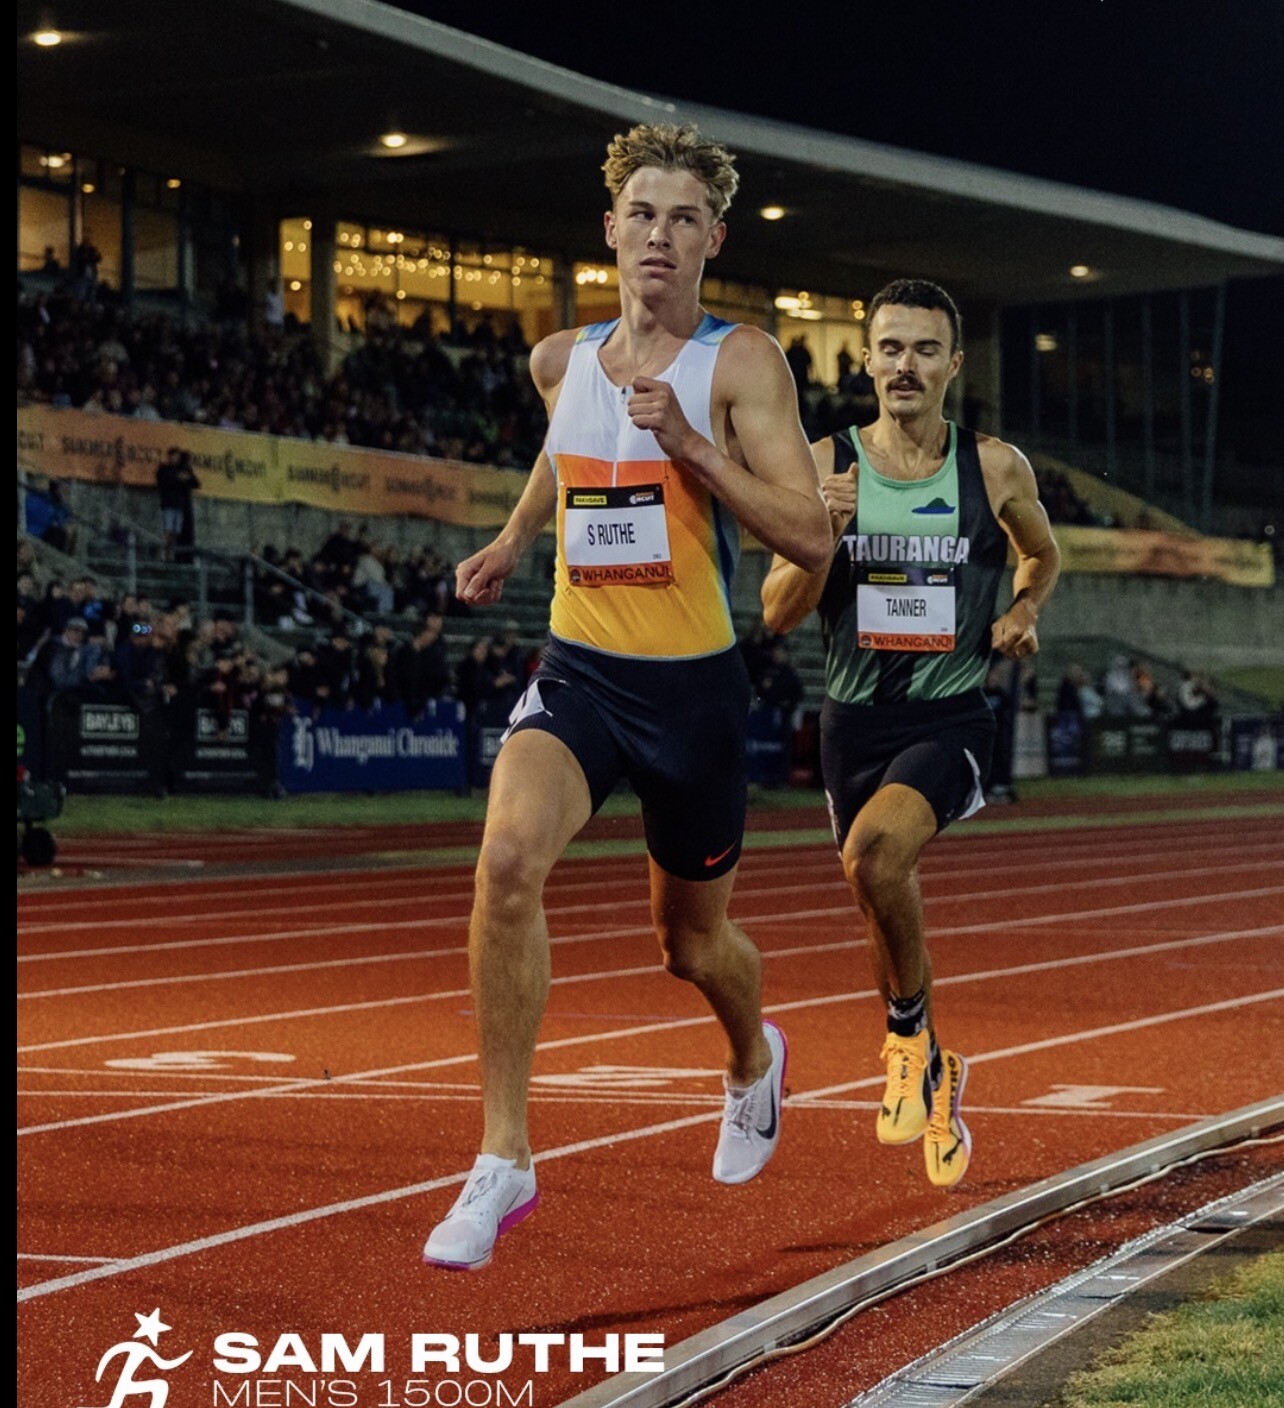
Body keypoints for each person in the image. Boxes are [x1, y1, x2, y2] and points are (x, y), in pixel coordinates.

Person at [422, 121, 831, 1272]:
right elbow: (563, 449)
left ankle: (753, 1059)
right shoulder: (560, 359)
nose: (660, 235)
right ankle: (504, 1156)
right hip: (582, 671)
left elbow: (809, 535)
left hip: (693, 693)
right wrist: (515, 537)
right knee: (507, 861)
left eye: (683, 218)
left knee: (690, 948)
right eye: (642, 215)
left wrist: (692, 445)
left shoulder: (741, 364)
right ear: (610, 230)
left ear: (712, 240)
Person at [761, 278, 1061, 1190]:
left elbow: (1043, 553)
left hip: (951, 716)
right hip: (853, 724)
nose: (905, 365)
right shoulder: (824, 464)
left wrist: (1022, 610)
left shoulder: (995, 467)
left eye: (925, 350)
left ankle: (902, 1041)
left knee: (876, 855)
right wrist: (823, 532)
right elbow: (776, 612)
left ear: (953, 365)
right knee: (874, 888)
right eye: (890, 348)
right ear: (865, 360)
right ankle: (933, 1064)